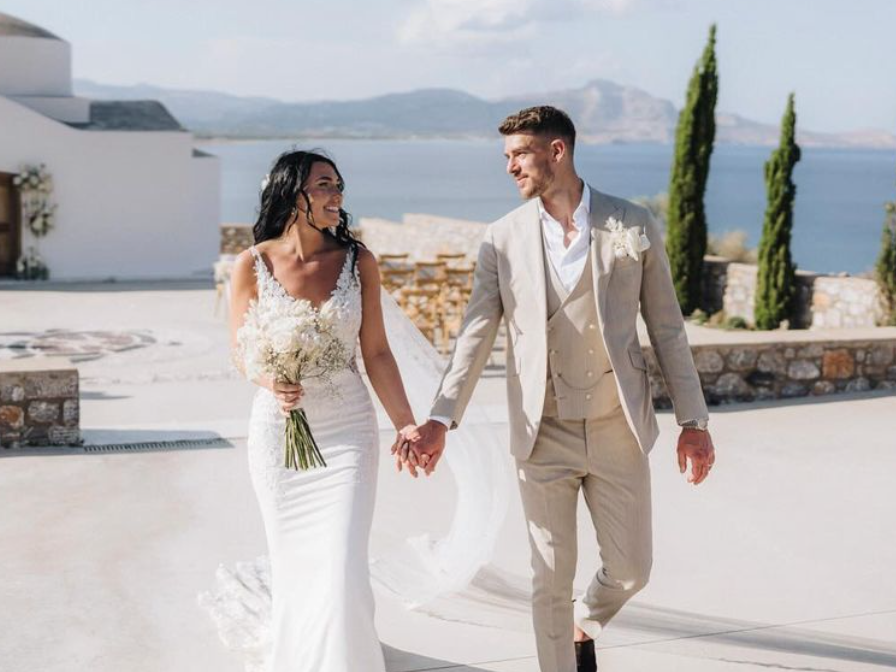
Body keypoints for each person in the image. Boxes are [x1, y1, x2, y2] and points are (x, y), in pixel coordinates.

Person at [400, 106, 717, 672]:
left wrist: (693, 423)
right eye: (506, 158)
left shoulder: (632, 223)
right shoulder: (501, 238)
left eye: (519, 154)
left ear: (557, 152)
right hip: (540, 432)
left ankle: (585, 620)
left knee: (631, 570)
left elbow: (666, 327)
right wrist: (441, 418)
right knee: (548, 576)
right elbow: (475, 332)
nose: (509, 168)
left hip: (618, 425)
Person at [227, 150, 418, 672]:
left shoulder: (359, 262)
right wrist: (272, 379)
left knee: (340, 564)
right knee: (295, 566)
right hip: (278, 431)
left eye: (339, 186)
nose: (338, 196)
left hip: (348, 430)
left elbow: (375, 352)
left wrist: (406, 423)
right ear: (295, 195)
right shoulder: (252, 263)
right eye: (325, 185)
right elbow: (241, 351)